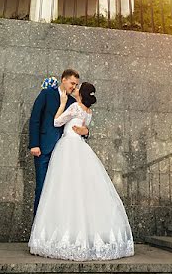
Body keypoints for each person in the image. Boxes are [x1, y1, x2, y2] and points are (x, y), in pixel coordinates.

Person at [28, 82, 134, 261]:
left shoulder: (75, 106)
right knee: (84, 189)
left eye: (77, 88)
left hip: (68, 148)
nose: (74, 90)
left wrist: (62, 104)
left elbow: (56, 121)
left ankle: (63, 235)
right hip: (81, 149)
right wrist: (85, 131)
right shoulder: (88, 111)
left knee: (63, 188)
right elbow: (83, 129)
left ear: (81, 94)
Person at [28, 69, 82, 216]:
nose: (74, 87)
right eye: (72, 83)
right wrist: (34, 144)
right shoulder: (46, 94)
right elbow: (35, 118)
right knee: (42, 187)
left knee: (60, 190)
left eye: (76, 85)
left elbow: (79, 123)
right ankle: (38, 230)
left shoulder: (73, 102)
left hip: (65, 151)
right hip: (44, 148)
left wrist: (86, 132)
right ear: (63, 79)